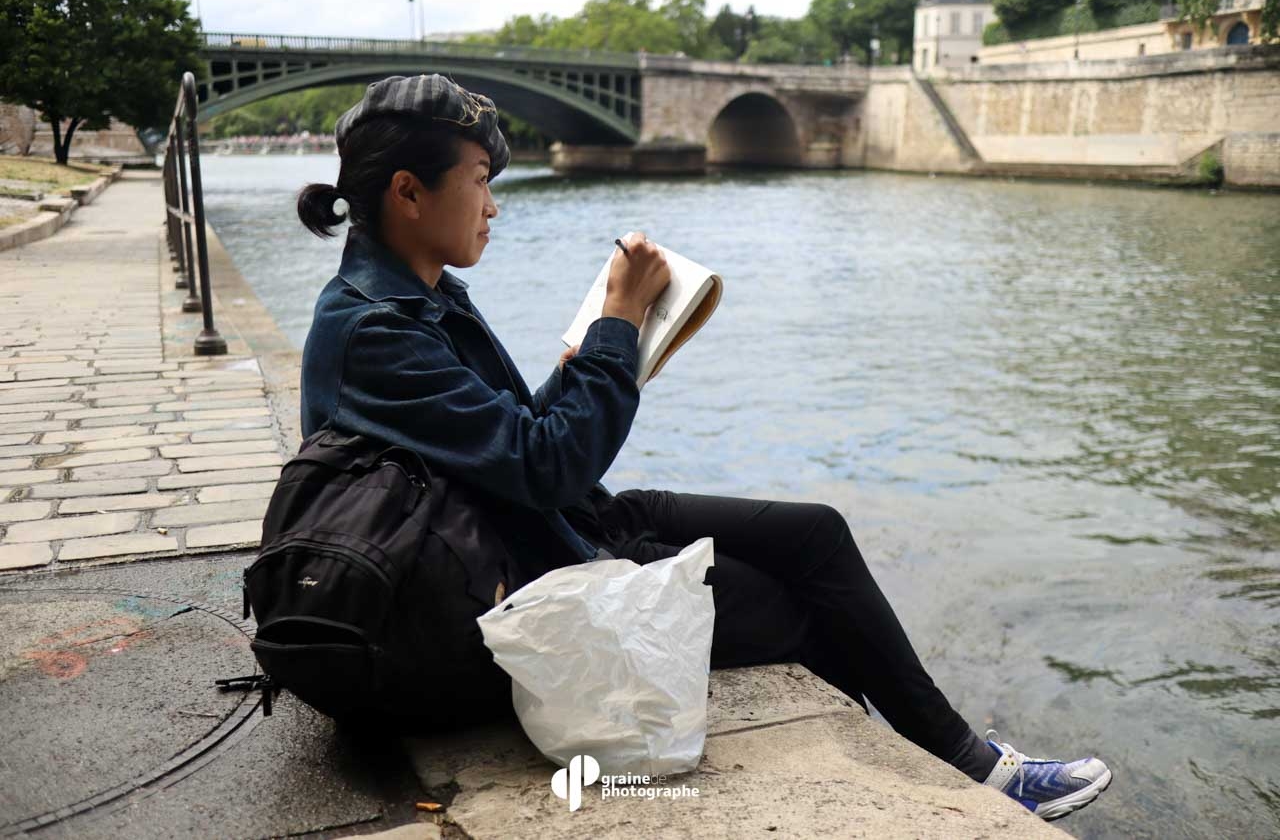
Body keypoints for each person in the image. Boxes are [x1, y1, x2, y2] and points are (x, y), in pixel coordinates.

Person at [295, 74, 1112, 822]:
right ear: (408, 191)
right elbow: (547, 462)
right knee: (799, 610)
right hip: (514, 574)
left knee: (817, 530)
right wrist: (615, 325)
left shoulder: (419, 295)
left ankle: (963, 761)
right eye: (479, 179)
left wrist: (607, 356)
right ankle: (966, 772)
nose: (493, 204)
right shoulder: (373, 329)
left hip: (552, 525)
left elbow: (514, 440)